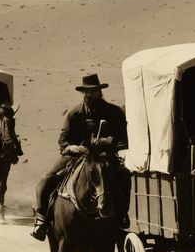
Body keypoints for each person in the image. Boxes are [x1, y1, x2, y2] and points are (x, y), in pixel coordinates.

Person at [31, 73, 129, 240]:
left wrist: (117, 148)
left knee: (124, 176)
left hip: (106, 158)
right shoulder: (74, 113)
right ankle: (42, 220)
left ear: (100, 91)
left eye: (92, 91)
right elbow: (63, 139)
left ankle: (121, 215)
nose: (88, 95)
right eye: (85, 92)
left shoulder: (114, 112)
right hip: (76, 157)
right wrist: (72, 147)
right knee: (45, 180)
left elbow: (122, 138)